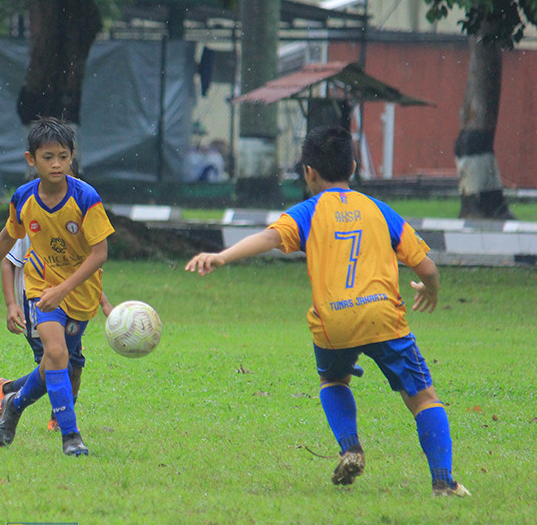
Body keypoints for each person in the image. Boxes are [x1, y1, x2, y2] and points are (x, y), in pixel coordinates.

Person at [185, 125, 469, 497]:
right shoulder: (379, 210)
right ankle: (444, 483)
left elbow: (269, 237)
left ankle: (351, 448)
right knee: (423, 399)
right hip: (384, 318)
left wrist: (221, 256)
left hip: (334, 322)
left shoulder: (307, 211)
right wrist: (429, 290)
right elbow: (427, 267)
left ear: (309, 172)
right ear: (353, 165)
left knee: (334, 381)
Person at [0, 117, 114, 456]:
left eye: (63, 157)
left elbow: (99, 254)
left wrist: (69, 291)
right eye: (48, 157)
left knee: (56, 361)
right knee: (57, 354)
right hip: (40, 289)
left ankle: (14, 403)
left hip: (79, 296)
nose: (56, 164)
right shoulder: (23, 198)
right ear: (30, 159)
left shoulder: (85, 197)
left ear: (72, 157)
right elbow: (7, 238)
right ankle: (71, 437)